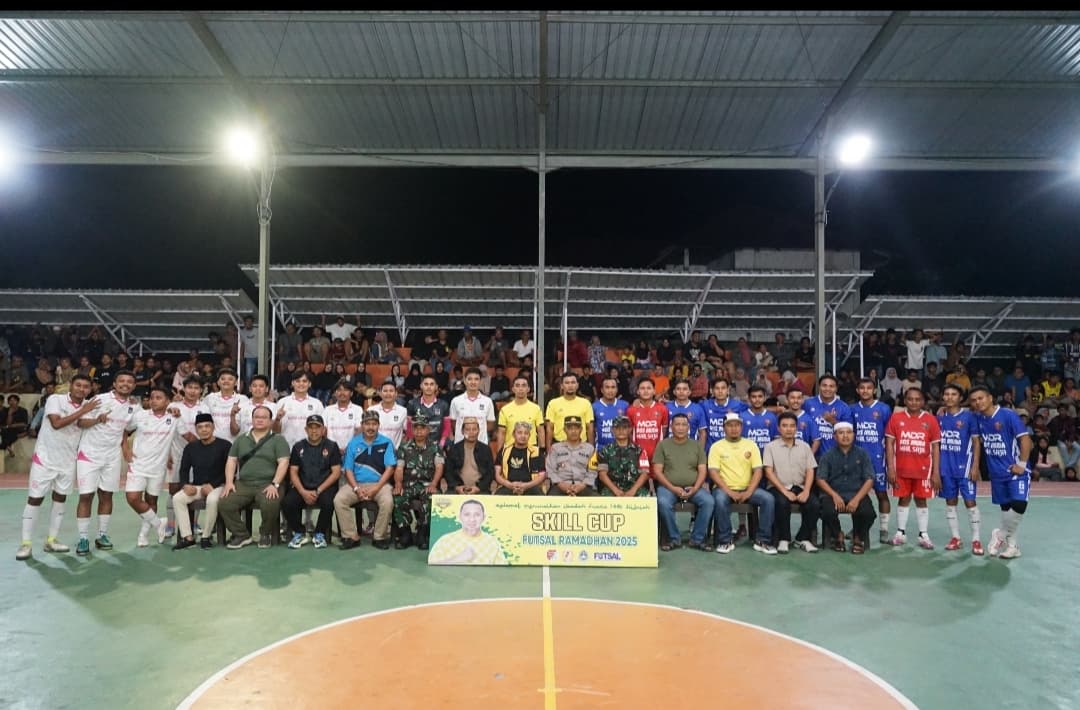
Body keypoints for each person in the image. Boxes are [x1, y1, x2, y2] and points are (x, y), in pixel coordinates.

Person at [16, 375, 98, 561]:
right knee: (35, 499)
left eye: (86, 386)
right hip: (45, 459)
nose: (81, 389)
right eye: (78, 385)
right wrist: (84, 411)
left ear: (90, 389)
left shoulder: (89, 405)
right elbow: (56, 424)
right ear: (71, 386)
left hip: (67, 461)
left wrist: (130, 403)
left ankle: (51, 540)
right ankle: (26, 543)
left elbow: (96, 414)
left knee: (60, 498)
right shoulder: (56, 399)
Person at [74, 369, 139, 556]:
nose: (125, 384)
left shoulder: (134, 407)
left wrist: (125, 448)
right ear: (115, 384)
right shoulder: (100, 399)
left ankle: (102, 535)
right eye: (122, 381)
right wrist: (96, 420)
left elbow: (127, 429)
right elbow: (80, 422)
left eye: (129, 382)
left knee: (106, 495)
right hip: (89, 455)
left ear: (134, 386)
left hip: (111, 457)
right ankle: (83, 538)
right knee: (86, 496)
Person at [969, 385, 1033, 559]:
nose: (977, 402)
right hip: (996, 473)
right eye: (974, 400)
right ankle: (1013, 547)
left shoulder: (1007, 415)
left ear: (990, 398)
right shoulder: (977, 418)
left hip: (1016, 471)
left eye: (981, 398)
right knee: (1006, 510)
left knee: (1019, 505)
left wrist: (1021, 464)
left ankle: (1000, 534)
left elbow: (1025, 439)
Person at [219, 405, 291, 549]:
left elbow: (284, 462)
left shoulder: (278, 440)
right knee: (225, 503)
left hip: (269, 483)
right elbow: (231, 461)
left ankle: (265, 534)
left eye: (264, 417)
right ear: (252, 419)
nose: (259, 420)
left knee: (270, 502)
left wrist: (275, 484)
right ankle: (242, 535)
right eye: (257, 417)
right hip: (244, 483)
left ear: (270, 421)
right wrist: (229, 482)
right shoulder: (241, 439)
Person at [708, 412, 776, 555]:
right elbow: (713, 472)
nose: (734, 429)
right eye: (730, 426)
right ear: (724, 428)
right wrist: (730, 492)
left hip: (748, 488)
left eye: (737, 425)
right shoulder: (716, 446)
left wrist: (749, 492)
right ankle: (725, 540)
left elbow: (758, 471)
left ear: (742, 427)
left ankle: (763, 540)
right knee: (719, 500)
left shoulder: (751, 445)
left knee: (768, 499)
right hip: (724, 489)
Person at [123, 387, 181, 547]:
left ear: (167, 401)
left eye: (159, 398)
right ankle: (158, 523)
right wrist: (125, 449)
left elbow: (183, 435)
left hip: (158, 468)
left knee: (151, 500)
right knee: (132, 498)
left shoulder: (174, 417)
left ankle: (143, 535)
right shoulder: (140, 415)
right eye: (152, 397)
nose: (154, 400)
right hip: (138, 465)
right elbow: (125, 431)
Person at [885, 387, 942, 549]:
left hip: (923, 470)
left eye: (918, 399)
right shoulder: (896, 418)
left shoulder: (930, 420)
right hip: (901, 469)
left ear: (923, 401)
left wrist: (935, 472)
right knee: (903, 498)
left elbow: (935, 447)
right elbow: (889, 444)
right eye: (910, 399)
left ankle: (923, 534)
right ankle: (900, 533)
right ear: (905, 401)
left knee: (921, 499)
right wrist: (891, 468)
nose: (914, 402)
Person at [335, 409, 397, 550]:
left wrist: (377, 487)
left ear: (378, 425)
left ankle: (379, 537)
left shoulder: (386, 442)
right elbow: (348, 469)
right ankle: (351, 536)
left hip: (380, 484)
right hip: (357, 484)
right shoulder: (353, 443)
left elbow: (390, 469)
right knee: (339, 500)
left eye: (374, 424)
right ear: (362, 425)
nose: (370, 427)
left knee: (387, 501)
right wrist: (356, 488)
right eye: (367, 424)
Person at [171, 412, 232, 550]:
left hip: (219, 486)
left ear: (213, 427)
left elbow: (229, 471)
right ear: (196, 429)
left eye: (207, 426)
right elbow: (184, 469)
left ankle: (206, 536)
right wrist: (185, 485)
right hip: (197, 486)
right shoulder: (191, 447)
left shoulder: (225, 445)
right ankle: (188, 538)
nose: (204, 430)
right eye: (200, 427)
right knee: (177, 498)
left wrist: (213, 485)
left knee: (212, 499)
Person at [653, 413, 713, 550]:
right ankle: (674, 539)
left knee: (708, 501)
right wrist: (672, 488)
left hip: (693, 487)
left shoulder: (696, 446)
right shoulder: (663, 445)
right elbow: (657, 471)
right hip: (668, 488)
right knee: (663, 502)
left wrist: (695, 488)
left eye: (684, 425)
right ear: (671, 427)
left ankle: (697, 539)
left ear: (688, 427)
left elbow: (702, 470)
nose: (680, 428)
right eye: (677, 424)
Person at [815, 421, 877, 554]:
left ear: (853, 435)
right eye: (841, 433)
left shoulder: (862, 454)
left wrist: (856, 499)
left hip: (856, 493)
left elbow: (870, 478)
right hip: (832, 493)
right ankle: (838, 535)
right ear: (834, 436)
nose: (845, 436)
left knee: (869, 513)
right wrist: (834, 495)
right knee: (826, 511)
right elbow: (820, 479)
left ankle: (858, 537)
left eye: (848, 432)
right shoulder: (827, 455)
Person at [762, 412, 819, 553]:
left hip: (800, 486)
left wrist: (806, 491)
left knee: (814, 504)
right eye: (785, 426)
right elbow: (768, 472)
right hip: (778, 487)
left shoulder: (805, 446)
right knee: (781, 502)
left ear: (797, 428)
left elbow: (810, 470)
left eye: (792, 426)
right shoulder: (770, 447)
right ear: (778, 428)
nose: (789, 429)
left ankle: (802, 538)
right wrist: (784, 491)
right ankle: (784, 538)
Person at [937, 383, 984, 555]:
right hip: (945, 468)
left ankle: (976, 540)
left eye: (954, 394)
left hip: (965, 468)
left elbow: (976, 442)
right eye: (947, 394)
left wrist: (975, 466)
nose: (949, 397)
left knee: (970, 503)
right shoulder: (939, 418)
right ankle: (956, 538)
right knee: (950, 502)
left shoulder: (969, 417)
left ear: (960, 398)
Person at [283, 414, 341, 550]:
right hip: (303, 486)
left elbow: (336, 472)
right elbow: (293, 472)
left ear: (323, 429)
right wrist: (303, 491)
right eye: (311, 427)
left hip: (324, 487)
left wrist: (318, 490)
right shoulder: (298, 447)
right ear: (306, 429)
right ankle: (299, 532)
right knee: (287, 503)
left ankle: (319, 533)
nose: (314, 431)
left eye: (317, 427)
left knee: (329, 503)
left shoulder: (332, 446)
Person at [392, 414, 445, 549]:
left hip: (428, 485)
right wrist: (398, 484)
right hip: (409, 485)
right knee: (397, 498)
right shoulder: (404, 447)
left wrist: (434, 484)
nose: (419, 431)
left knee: (431, 499)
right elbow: (399, 468)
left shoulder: (435, 447)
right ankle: (406, 533)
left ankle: (422, 532)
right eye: (416, 428)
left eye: (422, 428)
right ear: (412, 429)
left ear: (428, 430)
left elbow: (439, 467)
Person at [851, 377, 893, 544]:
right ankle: (857, 528)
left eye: (869, 388)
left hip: (878, 459)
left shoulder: (883, 409)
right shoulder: (853, 409)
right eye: (862, 388)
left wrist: (890, 462)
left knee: (881, 494)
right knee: (858, 495)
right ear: (857, 390)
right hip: (857, 460)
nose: (865, 391)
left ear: (874, 390)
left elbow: (890, 435)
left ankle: (884, 529)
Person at [428, 499, 508, 565]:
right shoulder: (445, 540)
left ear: (483, 517)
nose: (472, 519)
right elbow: (432, 563)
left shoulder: (492, 542)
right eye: (467, 514)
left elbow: (502, 567)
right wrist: (458, 558)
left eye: (477, 515)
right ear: (460, 517)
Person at [597, 415, 650, 497]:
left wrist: (633, 491)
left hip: (634, 487)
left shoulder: (640, 450)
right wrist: (616, 491)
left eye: (624, 428)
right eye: (617, 428)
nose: (621, 431)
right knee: (605, 498)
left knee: (645, 497)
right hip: (612, 487)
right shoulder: (605, 450)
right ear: (612, 430)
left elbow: (645, 474)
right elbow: (602, 475)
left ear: (630, 429)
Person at [545, 416, 596, 496]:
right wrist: (562, 485)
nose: (573, 431)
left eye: (576, 428)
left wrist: (581, 486)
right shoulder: (555, 448)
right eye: (570, 428)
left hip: (583, 486)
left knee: (598, 500)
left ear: (581, 429)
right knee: (548, 501)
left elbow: (593, 471)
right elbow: (550, 470)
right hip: (560, 486)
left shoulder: (590, 449)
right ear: (564, 430)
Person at [804, 374, 853, 458]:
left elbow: (848, 432)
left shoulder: (844, 407)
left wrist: (832, 421)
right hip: (810, 454)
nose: (827, 389)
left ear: (836, 388)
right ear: (819, 387)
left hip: (834, 456)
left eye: (831, 386)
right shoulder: (808, 403)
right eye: (824, 385)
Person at [445, 417, 496, 495]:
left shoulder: (485, 449)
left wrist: (479, 487)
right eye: (468, 429)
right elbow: (448, 472)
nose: (471, 432)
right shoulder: (454, 449)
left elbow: (490, 473)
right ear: (462, 431)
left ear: (479, 431)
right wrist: (457, 487)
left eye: (474, 429)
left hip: (480, 489)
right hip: (458, 488)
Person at [274, 370, 325, 448]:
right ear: (292, 383)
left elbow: (321, 430)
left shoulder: (317, 404)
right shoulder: (282, 402)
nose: (301, 384)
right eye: (298, 381)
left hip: (310, 449)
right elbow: (275, 431)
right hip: (286, 448)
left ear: (309, 384)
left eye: (304, 381)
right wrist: (277, 419)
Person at [494, 421, 545, 496]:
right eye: (519, 433)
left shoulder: (536, 451)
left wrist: (526, 485)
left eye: (526, 433)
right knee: (498, 497)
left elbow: (542, 475)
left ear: (529, 436)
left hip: (530, 486)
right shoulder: (504, 450)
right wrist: (509, 485)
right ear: (513, 434)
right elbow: (497, 474)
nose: (523, 436)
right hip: (508, 485)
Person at [495, 375, 545, 452]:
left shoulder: (536, 408)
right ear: (513, 389)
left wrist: (542, 450)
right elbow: (501, 433)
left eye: (524, 385)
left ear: (528, 389)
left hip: (531, 450)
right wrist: (499, 453)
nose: (520, 389)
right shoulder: (505, 410)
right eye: (517, 386)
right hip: (510, 450)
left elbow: (540, 431)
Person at [544, 372, 595, 445]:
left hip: (581, 446)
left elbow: (590, 428)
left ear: (577, 385)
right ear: (562, 386)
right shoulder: (553, 403)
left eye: (573, 382)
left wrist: (591, 449)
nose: (570, 385)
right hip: (559, 445)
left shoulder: (586, 403)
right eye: (567, 383)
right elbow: (549, 429)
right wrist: (549, 450)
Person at [449, 368, 496, 444]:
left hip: (481, 444)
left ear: (480, 381)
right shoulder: (456, 401)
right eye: (470, 379)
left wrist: (475, 432)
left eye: (476, 379)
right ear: (465, 381)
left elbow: (490, 424)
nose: (473, 382)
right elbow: (453, 423)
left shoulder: (488, 401)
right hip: (460, 444)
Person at [628, 378, 668, 465]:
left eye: (649, 388)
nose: (646, 391)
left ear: (654, 391)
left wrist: (659, 449)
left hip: (657, 454)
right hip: (638, 454)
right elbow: (629, 432)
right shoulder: (631, 410)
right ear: (638, 391)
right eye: (642, 388)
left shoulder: (662, 409)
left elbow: (664, 430)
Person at [203, 368, 249, 443]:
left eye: (230, 379)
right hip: (213, 443)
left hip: (235, 443)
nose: (226, 381)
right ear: (218, 382)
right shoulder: (209, 398)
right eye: (223, 379)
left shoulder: (243, 399)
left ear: (236, 383)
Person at [406, 374, 452, 448]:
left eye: (431, 384)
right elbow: (409, 427)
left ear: (436, 387)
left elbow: (447, 427)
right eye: (426, 384)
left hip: (438, 445)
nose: (429, 387)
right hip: (417, 446)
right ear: (421, 386)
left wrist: (441, 443)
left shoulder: (444, 405)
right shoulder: (412, 404)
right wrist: (414, 445)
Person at [323, 379, 364, 452]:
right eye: (339, 390)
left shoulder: (358, 409)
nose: (342, 393)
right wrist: (331, 448)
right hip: (331, 451)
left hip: (351, 451)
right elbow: (323, 431)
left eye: (345, 390)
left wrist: (349, 448)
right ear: (335, 393)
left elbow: (359, 431)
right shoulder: (327, 410)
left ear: (351, 393)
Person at [592, 377, 629, 450]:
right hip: (601, 449)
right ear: (602, 390)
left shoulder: (625, 405)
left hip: (621, 449)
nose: (610, 390)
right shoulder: (594, 407)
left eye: (613, 387)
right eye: (607, 387)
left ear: (617, 389)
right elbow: (591, 430)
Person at [665, 379, 706, 443]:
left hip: (691, 447)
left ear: (689, 392)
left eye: (684, 389)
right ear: (674, 392)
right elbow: (663, 430)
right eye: (678, 389)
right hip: (670, 447)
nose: (681, 391)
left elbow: (702, 433)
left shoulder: (698, 409)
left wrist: (700, 449)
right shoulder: (667, 407)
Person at [369, 381, 408, 448]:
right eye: (385, 391)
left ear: (396, 394)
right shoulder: (371, 410)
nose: (388, 394)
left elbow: (406, 433)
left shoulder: (403, 411)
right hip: (374, 450)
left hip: (394, 451)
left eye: (391, 391)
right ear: (380, 393)